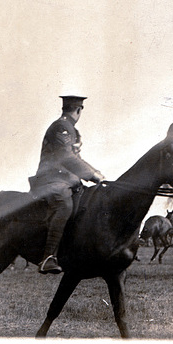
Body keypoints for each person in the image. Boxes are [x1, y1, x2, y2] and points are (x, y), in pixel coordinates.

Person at [28, 95, 104, 274]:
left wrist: (98, 174)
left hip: (66, 180)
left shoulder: (71, 129)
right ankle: (48, 257)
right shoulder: (62, 127)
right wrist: (92, 176)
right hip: (52, 180)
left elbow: (77, 159)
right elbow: (66, 157)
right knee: (64, 204)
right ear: (78, 110)